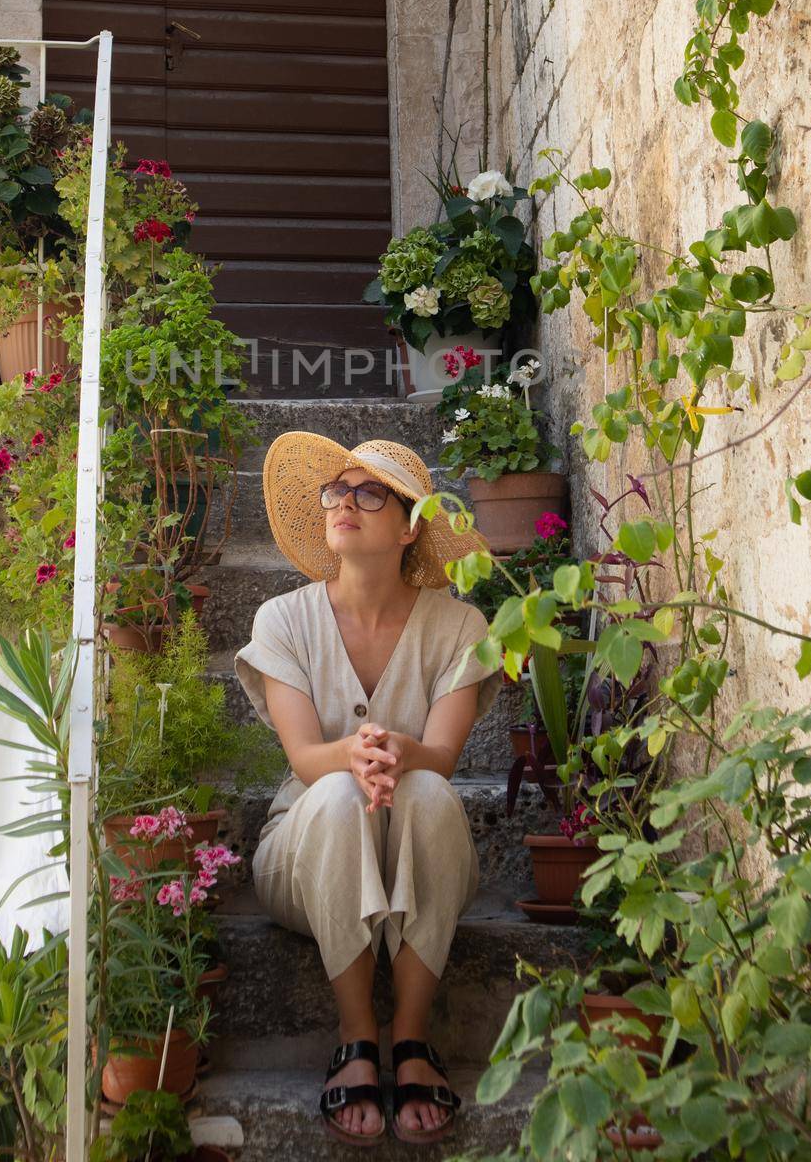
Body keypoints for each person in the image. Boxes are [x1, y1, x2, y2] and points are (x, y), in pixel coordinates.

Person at [233, 432, 501, 1147]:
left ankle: (409, 1039)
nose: (344, 503)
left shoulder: (460, 627)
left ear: (410, 525)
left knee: (427, 794)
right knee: (337, 794)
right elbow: (302, 756)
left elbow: (441, 758)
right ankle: (357, 1036)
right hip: (307, 855)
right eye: (336, 491)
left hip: (424, 854)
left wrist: (395, 750)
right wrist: (353, 756)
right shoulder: (282, 619)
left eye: (370, 493)